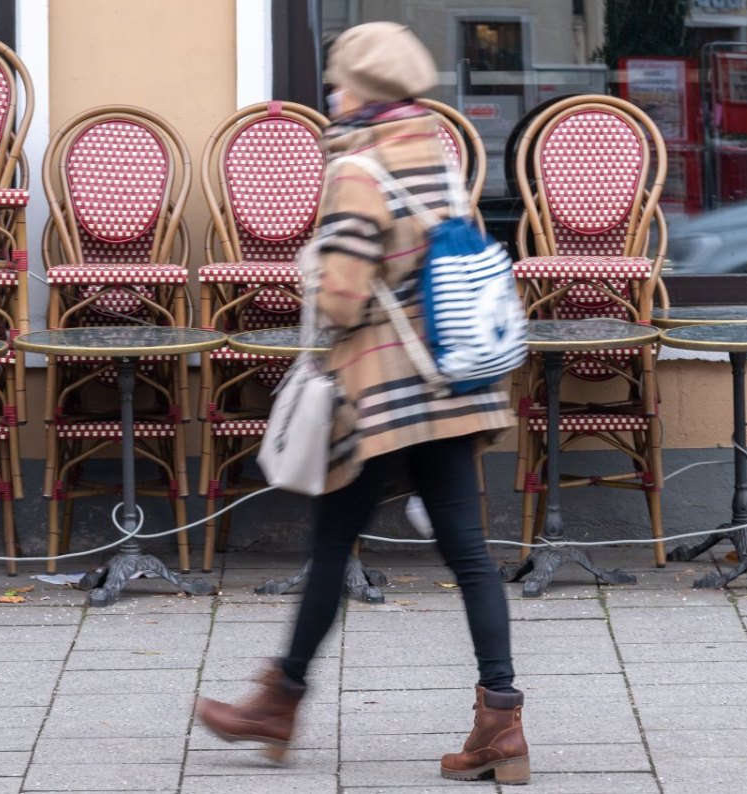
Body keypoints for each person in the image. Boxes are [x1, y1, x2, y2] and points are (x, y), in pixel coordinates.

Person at [194, 21, 529, 785]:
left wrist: (312, 273)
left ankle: (276, 704)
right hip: (451, 384)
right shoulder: (439, 152)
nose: (333, 92)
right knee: (470, 554)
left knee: (327, 551)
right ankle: (501, 723)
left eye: (339, 80)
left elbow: (342, 299)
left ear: (359, 90)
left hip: (378, 397)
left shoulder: (357, 169)